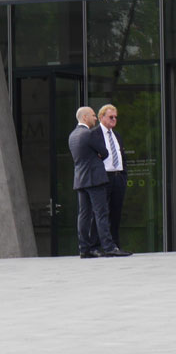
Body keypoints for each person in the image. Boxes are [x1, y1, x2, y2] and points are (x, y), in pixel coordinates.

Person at [68, 106, 129, 257]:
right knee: (101, 214)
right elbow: (105, 152)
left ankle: (84, 248)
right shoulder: (89, 134)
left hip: (81, 179)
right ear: (84, 117)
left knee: (84, 215)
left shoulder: (73, 135)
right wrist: (99, 155)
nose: (94, 118)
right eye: (93, 115)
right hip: (96, 179)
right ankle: (108, 247)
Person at [97, 104, 130, 252]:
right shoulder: (95, 134)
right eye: (111, 117)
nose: (114, 119)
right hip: (104, 178)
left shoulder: (117, 136)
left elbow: (122, 156)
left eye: (116, 117)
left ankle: (115, 245)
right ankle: (101, 245)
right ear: (101, 117)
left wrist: (123, 175)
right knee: (102, 213)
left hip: (118, 177)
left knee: (116, 212)